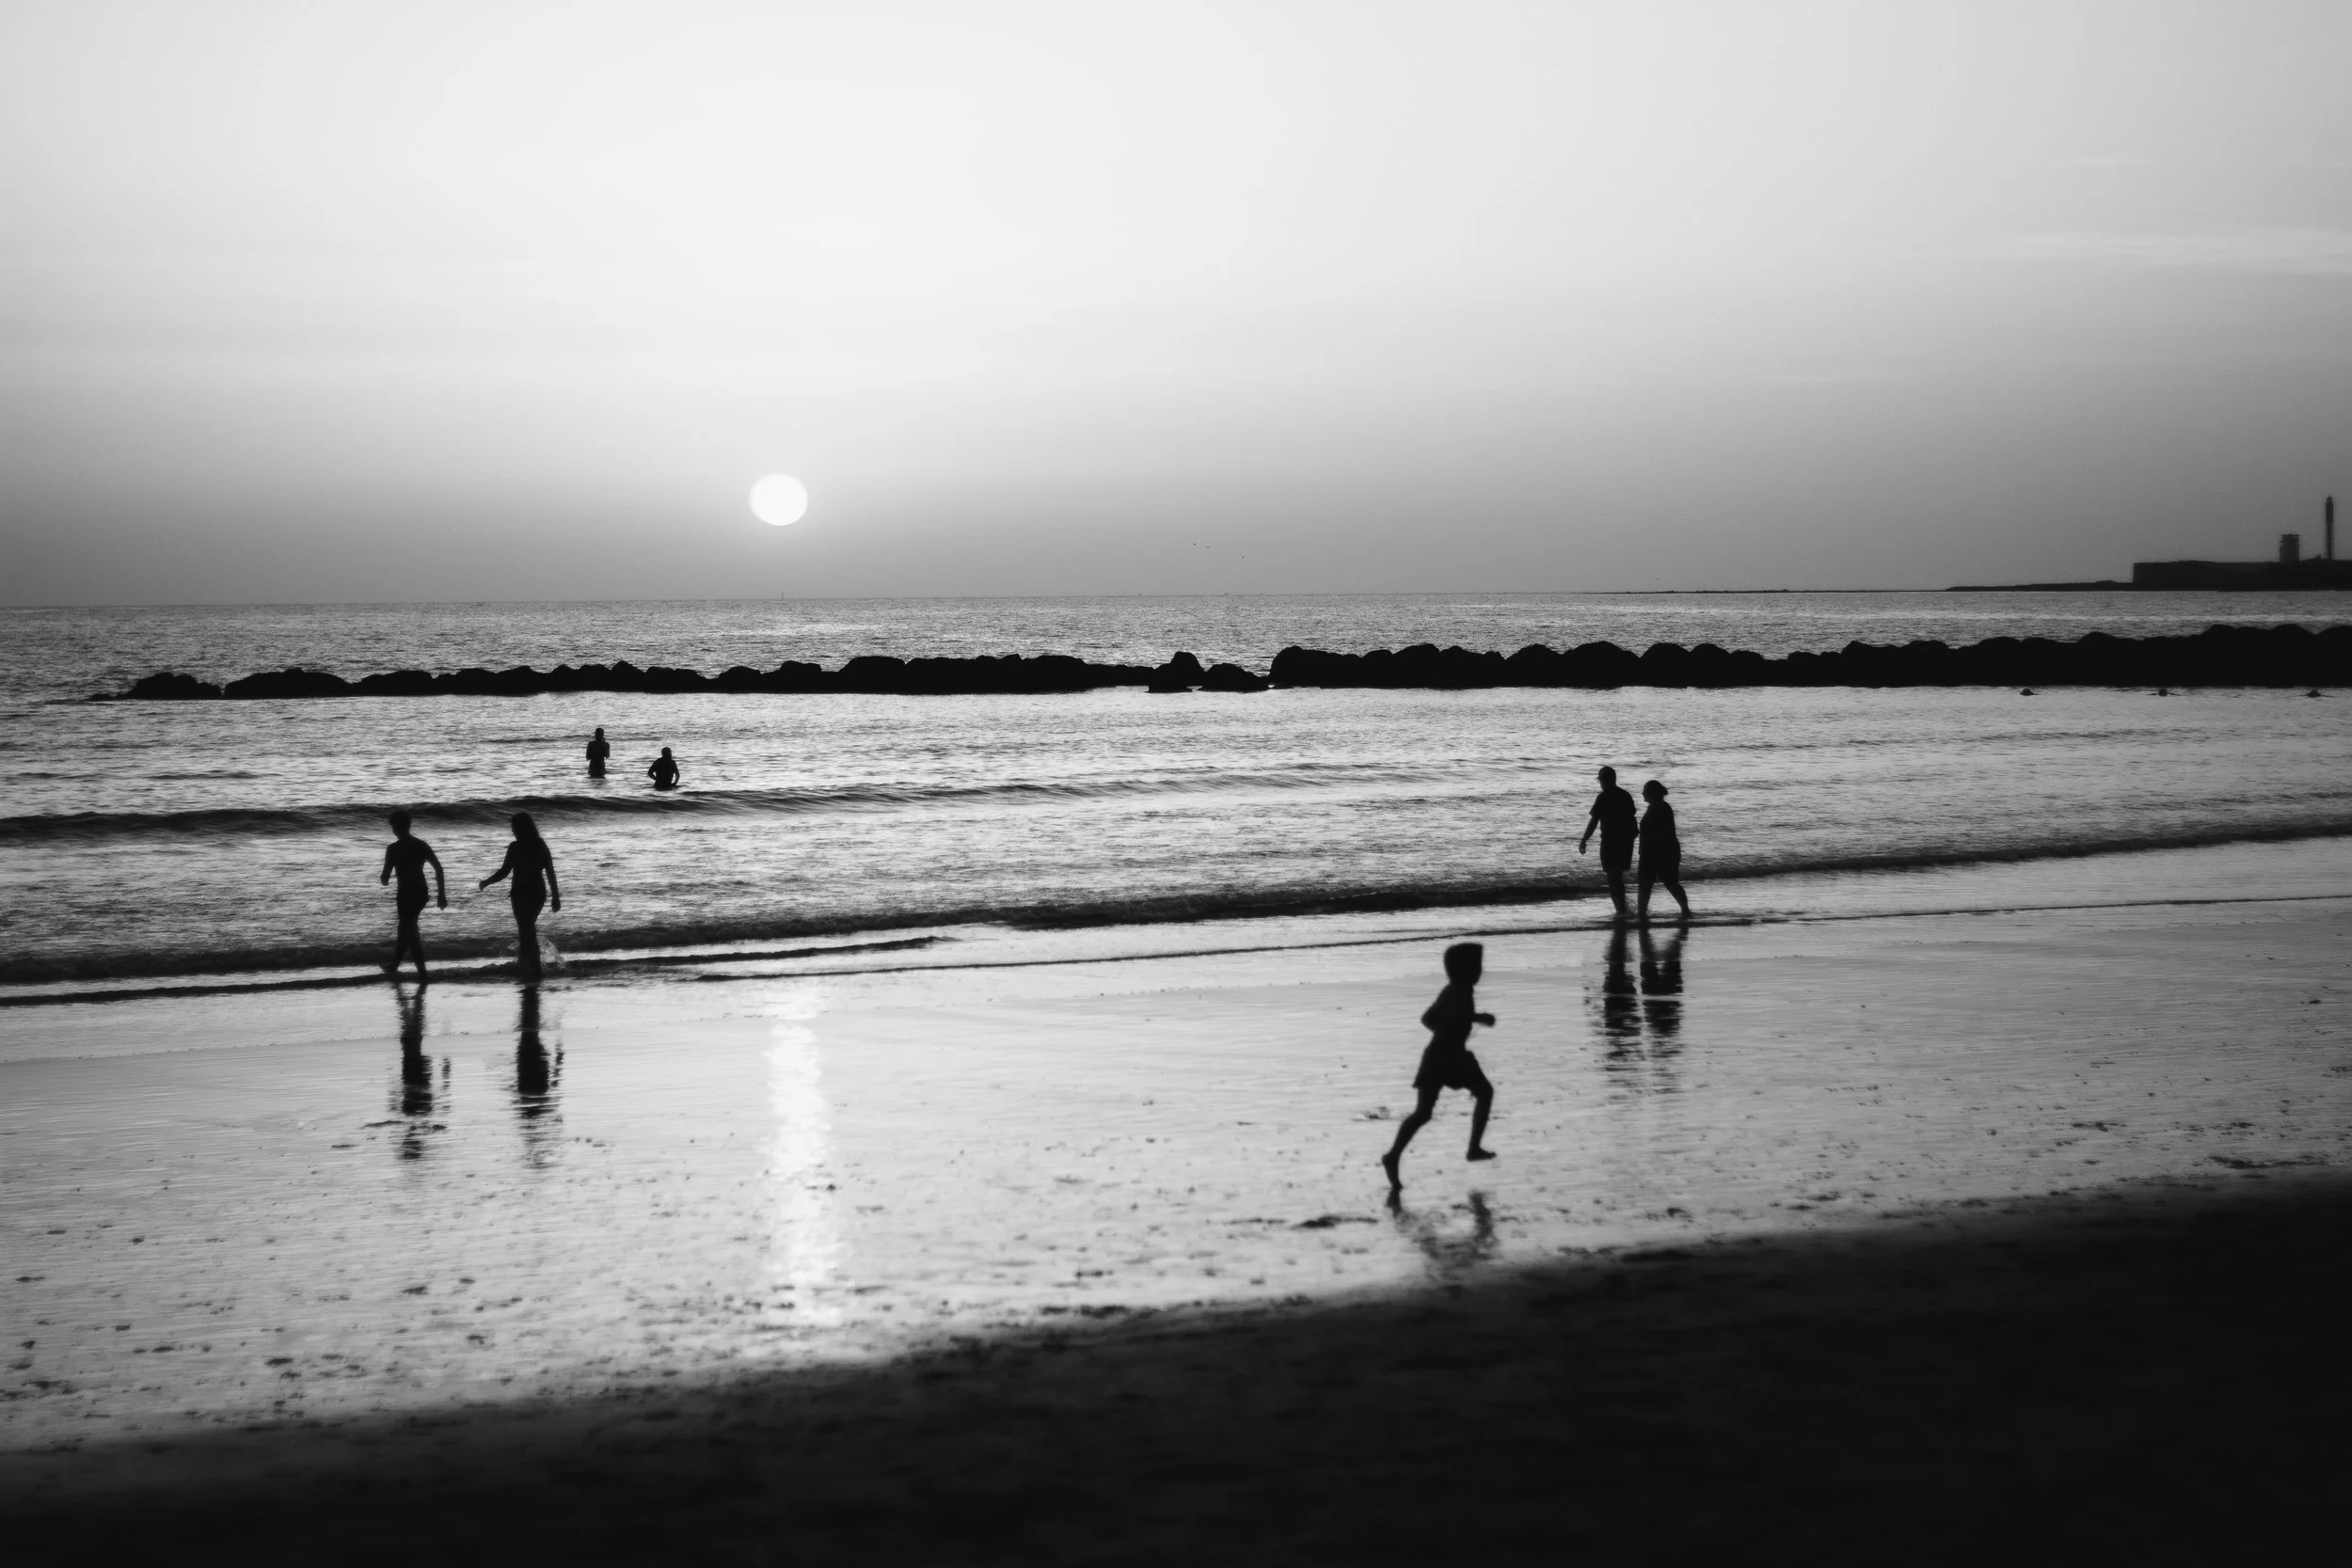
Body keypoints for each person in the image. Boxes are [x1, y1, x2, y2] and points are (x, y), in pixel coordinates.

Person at [1381, 942, 1498, 1192]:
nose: (1480, 970)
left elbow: (1428, 1019)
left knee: (1423, 1113)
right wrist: (1475, 1020)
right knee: (1484, 1094)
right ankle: (1473, 1148)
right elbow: (1452, 1018)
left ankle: (1393, 1155)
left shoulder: (1451, 989)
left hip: (1437, 1055)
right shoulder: (1462, 991)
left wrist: (1451, 1031)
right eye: (1477, 965)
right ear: (1466, 969)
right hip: (1449, 1057)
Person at [478, 812, 562, 981]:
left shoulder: (530, 846)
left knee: (526, 929)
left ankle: (533, 969)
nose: (512, 831)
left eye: (514, 828)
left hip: (530, 893)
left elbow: (550, 871)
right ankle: (529, 967)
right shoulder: (526, 846)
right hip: (523, 894)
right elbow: (505, 871)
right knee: (526, 930)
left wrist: (556, 897)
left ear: (522, 828)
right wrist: (487, 882)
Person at [378, 810, 447, 981]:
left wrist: (385, 877)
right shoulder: (420, 845)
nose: (393, 829)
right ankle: (395, 966)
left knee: (409, 931)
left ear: (396, 827)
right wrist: (441, 895)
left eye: (394, 825)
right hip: (419, 893)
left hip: (407, 895)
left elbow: (385, 877)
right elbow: (438, 868)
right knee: (406, 929)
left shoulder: (393, 849)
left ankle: (422, 974)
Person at [1578, 765, 1638, 918]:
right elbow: (1632, 820)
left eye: (1600, 780)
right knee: (1617, 876)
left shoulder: (1603, 797)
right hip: (1626, 842)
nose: (1600, 783)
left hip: (1610, 842)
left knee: (1612, 878)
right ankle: (1622, 909)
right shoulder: (1625, 795)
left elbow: (1594, 821)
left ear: (1603, 780)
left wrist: (1584, 839)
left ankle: (1621, 911)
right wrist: (1632, 837)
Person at [1637, 779, 1692, 923]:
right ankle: (1684, 909)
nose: (1643, 793)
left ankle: (1642, 914)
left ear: (1653, 793)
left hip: (1659, 852)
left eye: (1645, 791)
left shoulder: (1660, 808)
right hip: (1660, 851)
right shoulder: (1658, 807)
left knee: (1654, 883)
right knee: (1663, 883)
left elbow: (1660, 832)